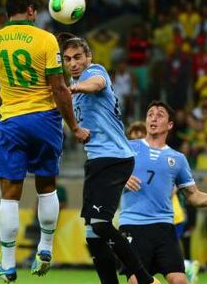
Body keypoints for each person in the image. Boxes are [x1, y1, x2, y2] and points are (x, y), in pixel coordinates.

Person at [0, 0, 90, 283]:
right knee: (47, 187)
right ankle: (45, 247)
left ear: (7, 14)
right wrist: (74, 126)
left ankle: (7, 265)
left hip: (12, 121)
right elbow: (59, 87)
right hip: (45, 119)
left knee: (9, 195)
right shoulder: (45, 39)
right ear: (30, 11)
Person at [59, 33, 158, 284]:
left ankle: (145, 279)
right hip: (97, 160)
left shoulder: (95, 71)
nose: (73, 63)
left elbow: (97, 85)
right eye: (68, 59)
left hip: (114, 157)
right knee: (93, 234)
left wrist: (74, 87)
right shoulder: (73, 85)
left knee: (102, 225)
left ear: (88, 57)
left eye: (78, 57)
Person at [120, 101, 207, 284]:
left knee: (179, 280)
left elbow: (192, 195)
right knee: (136, 281)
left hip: (164, 227)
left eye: (160, 115)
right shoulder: (128, 148)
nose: (153, 117)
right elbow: (102, 175)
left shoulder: (178, 159)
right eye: (150, 114)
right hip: (133, 225)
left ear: (170, 125)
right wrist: (120, 178)